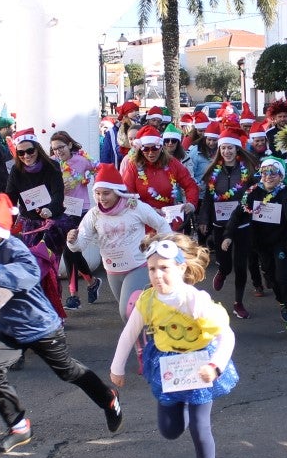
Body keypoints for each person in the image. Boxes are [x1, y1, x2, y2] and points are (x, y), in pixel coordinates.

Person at [0, 194, 123, 453]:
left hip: (40, 327)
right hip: (10, 327)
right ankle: (18, 425)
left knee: (68, 372)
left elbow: (28, 275)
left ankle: (108, 398)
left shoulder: (14, 248)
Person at [109, 233, 238, 458]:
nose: (157, 275)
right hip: (168, 365)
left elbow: (226, 337)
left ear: (181, 267)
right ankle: (181, 409)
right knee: (170, 430)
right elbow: (129, 333)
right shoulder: (147, 300)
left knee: (201, 426)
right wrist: (116, 367)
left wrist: (215, 366)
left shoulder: (196, 300)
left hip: (200, 364)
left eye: (164, 268)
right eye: (152, 269)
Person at [66, 164, 173, 321]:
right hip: (112, 271)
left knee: (127, 312)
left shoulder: (135, 207)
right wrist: (73, 241)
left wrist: (164, 252)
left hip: (138, 267)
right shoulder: (94, 214)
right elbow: (81, 243)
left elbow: (161, 224)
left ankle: (152, 338)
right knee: (134, 316)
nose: (101, 198)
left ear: (117, 192)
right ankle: (150, 339)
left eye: (106, 193)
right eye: (97, 193)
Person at [225, 156, 287, 330]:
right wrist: (229, 235)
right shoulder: (252, 193)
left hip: (281, 242)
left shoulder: (286, 195)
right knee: (270, 276)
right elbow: (238, 214)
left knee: (282, 276)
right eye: (265, 172)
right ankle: (282, 301)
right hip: (260, 243)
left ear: (281, 176)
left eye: (273, 172)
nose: (268, 176)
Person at [197, 126, 260, 320]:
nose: (227, 151)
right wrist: (203, 219)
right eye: (223, 148)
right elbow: (208, 199)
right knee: (225, 264)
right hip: (220, 224)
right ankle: (223, 272)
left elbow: (255, 196)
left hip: (242, 225)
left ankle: (238, 303)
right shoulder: (213, 173)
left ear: (237, 149)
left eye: (230, 148)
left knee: (241, 266)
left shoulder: (248, 171)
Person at [48, 130, 100, 310]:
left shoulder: (81, 159)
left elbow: (98, 169)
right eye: (54, 149)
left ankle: (74, 296)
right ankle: (91, 283)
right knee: (71, 251)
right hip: (62, 211)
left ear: (69, 145)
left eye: (61, 147)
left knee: (70, 251)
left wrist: (87, 180)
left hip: (81, 210)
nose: (58, 152)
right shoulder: (53, 164)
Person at [5, 128, 67, 259]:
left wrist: (50, 210)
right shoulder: (16, 171)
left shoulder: (52, 166)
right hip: (29, 224)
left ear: (37, 149)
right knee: (31, 264)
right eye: (21, 153)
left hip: (51, 223)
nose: (26, 156)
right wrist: (6, 222)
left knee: (49, 265)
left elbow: (58, 194)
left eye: (30, 151)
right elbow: (10, 199)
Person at [120, 125, 199, 224]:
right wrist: (146, 210)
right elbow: (126, 194)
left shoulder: (172, 163)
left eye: (154, 148)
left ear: (161, 147)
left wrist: (191, 203)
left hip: (169, 219)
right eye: (146, 149)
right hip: (143, 220)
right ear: (140, 149)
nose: (150, 153)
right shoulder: (133, 166)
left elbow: (190, 185)